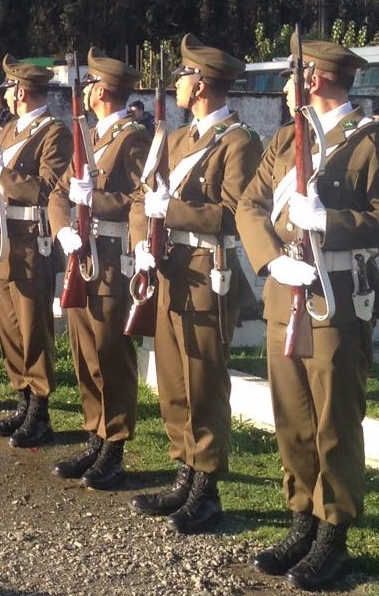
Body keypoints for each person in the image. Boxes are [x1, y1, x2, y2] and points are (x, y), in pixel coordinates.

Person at [236, 36, 376, 590]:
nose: (289, 85)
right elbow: (249, 204)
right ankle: (301, 520)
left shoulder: (370, 143)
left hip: (335, 301)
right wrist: (270, 261)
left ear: (314, 79)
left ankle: (334, 532)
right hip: (284, 296)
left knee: (334, 422)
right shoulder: (286, 139)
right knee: (292, 418)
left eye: (294, 75)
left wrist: (331, 220)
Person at [128, 33, 261, 534]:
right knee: (172, 376)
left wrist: (175, 210)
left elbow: (235, 214)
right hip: (166, 267)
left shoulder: (240, 142)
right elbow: (144, 197)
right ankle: (184, 469)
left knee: (204, 380)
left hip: (208, 272)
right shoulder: (177, 138)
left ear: (201, 83)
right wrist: (141, 239)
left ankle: (206, 488)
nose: (178, 83)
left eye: (184, 75)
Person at [48, 48, 149, 483]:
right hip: (80, 256)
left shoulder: (134, 138)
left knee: (111, 356)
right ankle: (95, 434)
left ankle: (115, 445)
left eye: (91, 82)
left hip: (111, 262)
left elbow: (143, 202)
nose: (86, 89)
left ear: (104, 89)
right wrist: (61, 229)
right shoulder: (88, 136)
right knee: (85, 354)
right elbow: (58, 190)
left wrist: (96, 200)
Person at [0, 55, 71, 446]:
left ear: (23, 91)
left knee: (33, 327)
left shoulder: (54, 133)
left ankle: (40, 410)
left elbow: (47, 189)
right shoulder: (9, 129)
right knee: (9, 326)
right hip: (2, 237)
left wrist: (5, 177)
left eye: (11, 88)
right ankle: (21, 400)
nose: (7, 95)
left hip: (32, 238)